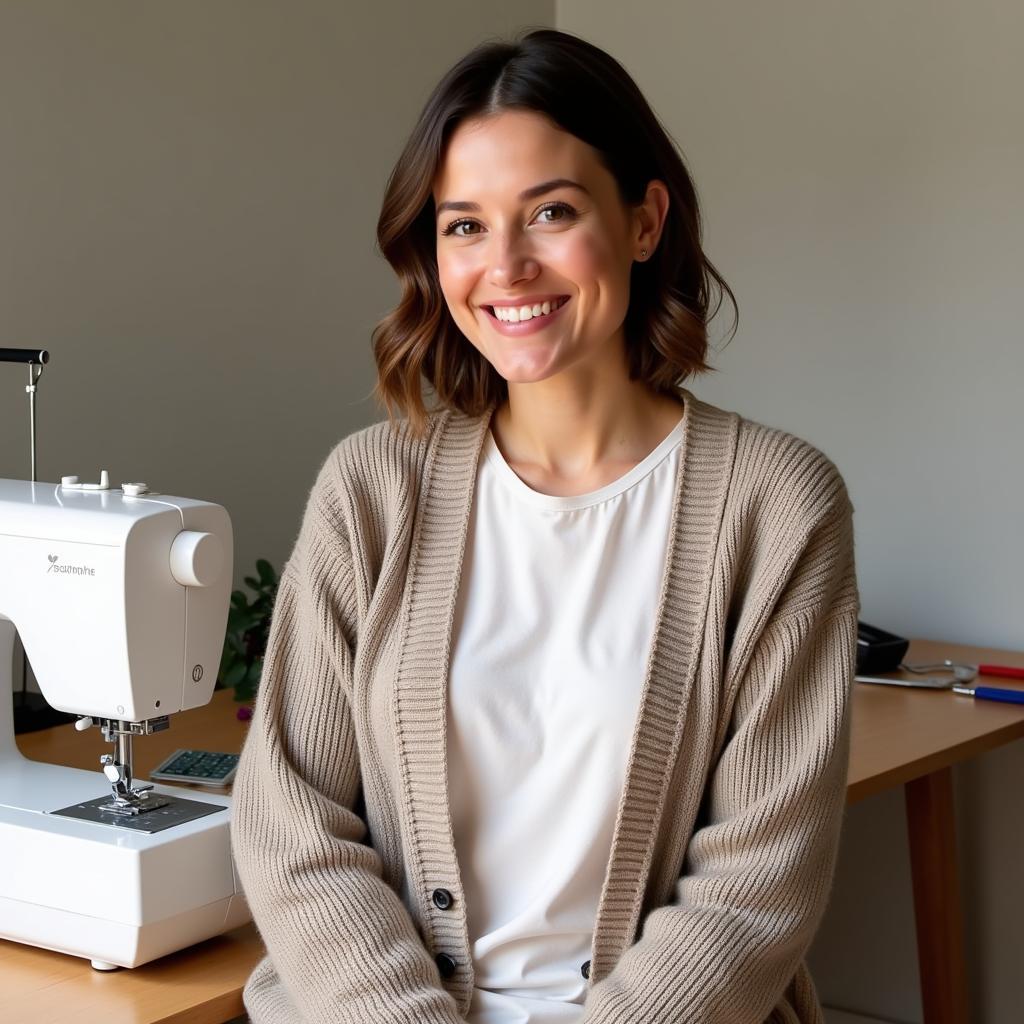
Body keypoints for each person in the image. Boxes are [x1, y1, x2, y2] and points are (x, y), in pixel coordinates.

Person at [230, 27, 860, 1024]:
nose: (506, 267)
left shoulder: (778, 502)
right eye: (464, 226)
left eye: (551, 213)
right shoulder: (370, 490)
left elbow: (758, 881)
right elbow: (290, 825)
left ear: (643, 220)